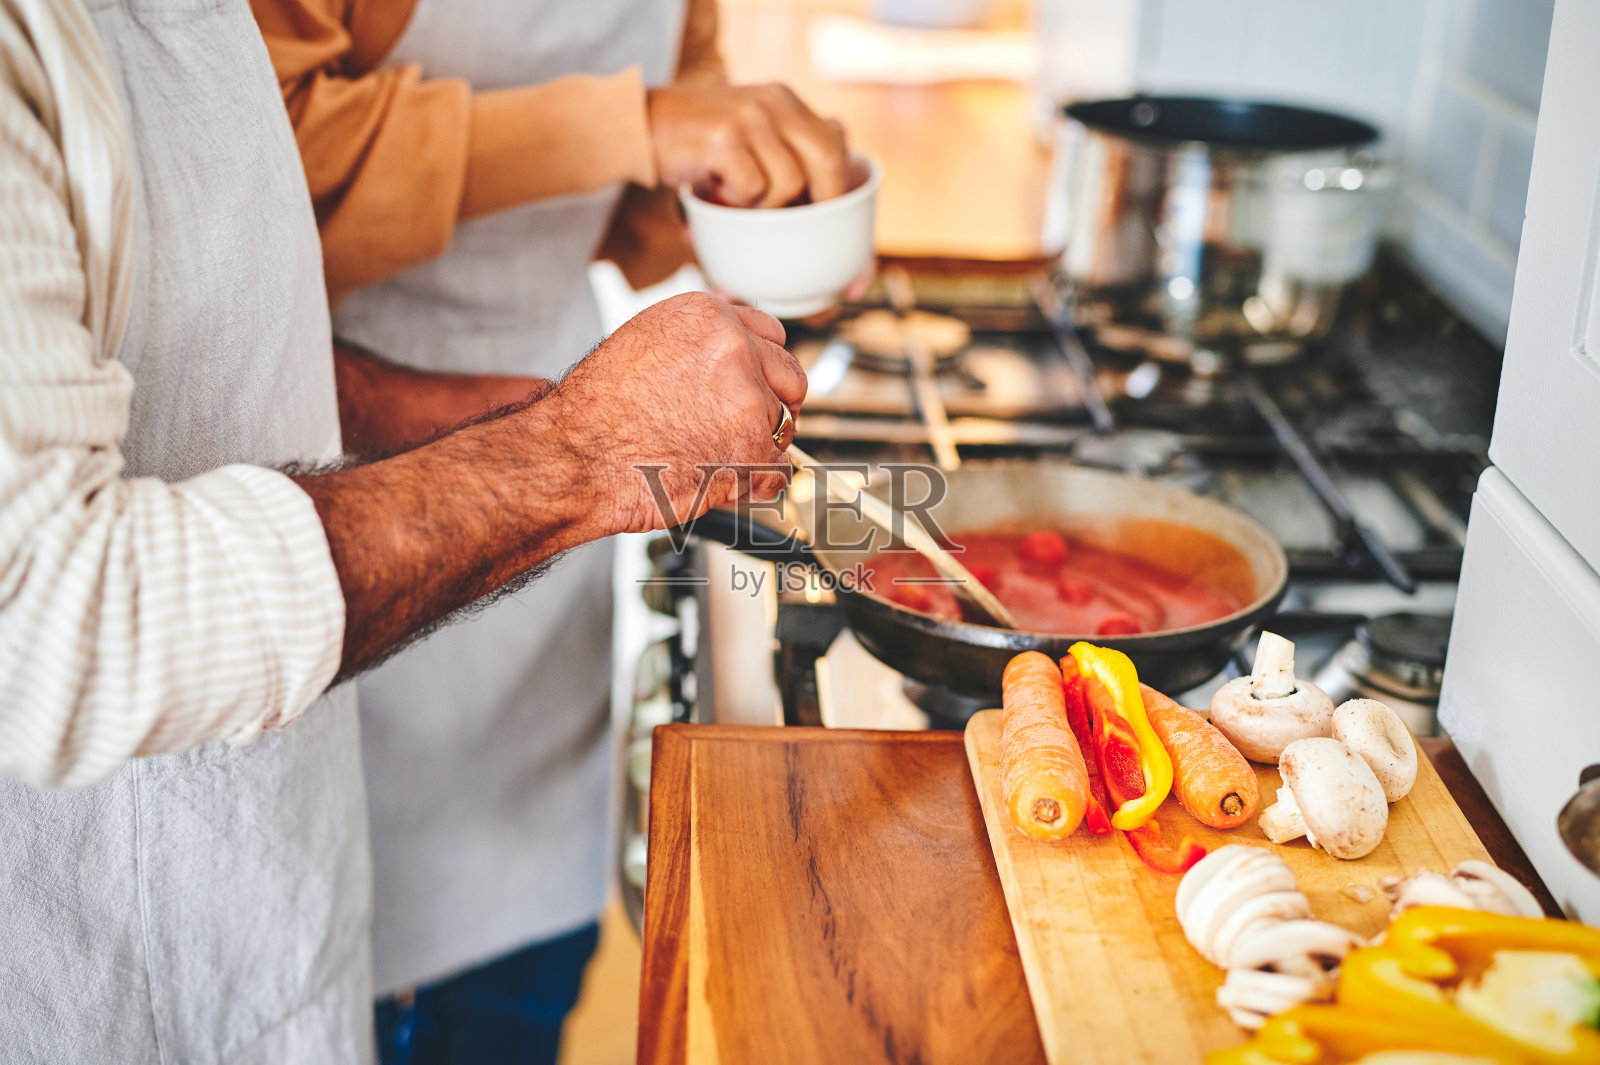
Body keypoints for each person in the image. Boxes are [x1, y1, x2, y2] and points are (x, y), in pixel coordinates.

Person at [0, 1, 802, 1062]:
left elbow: (196, 297)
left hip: (317, 837)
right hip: (119, 935)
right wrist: (578, 449)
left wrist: (434, 413)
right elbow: (57, 622)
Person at [247, 0, 851, 1059]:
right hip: (339, 472)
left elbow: (633, 219)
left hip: (555, 459)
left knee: (517, 965)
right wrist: (637, 124)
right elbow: (259, 162)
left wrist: (732, 186)